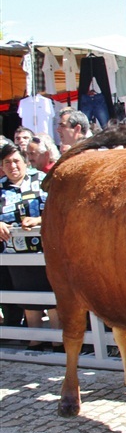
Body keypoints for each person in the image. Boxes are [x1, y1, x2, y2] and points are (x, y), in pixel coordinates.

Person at [1, 142, 60, 342]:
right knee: (29, 302)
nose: (12, 166)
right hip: (16, 256)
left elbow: (58, 210)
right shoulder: (0, 188)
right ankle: (35, 343)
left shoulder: (42, 180)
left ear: (25, 161)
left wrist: (39, 220)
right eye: (7, 162)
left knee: (53, 301)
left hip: (46, 251)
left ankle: (58, 344)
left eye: (16, 160)